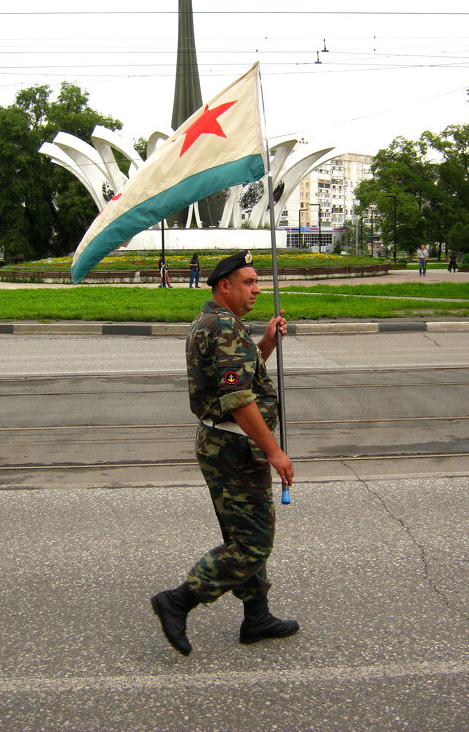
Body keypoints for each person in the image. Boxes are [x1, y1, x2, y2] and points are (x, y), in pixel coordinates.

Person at [151, 250, 298, 656]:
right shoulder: (224, 328)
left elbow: (234, 379)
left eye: (256, 281)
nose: (257, 289)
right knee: (253, 541)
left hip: (222, 444)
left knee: (241, 534)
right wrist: (274, 451)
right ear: (224, 286)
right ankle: (179, 600)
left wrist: (265, 344)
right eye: (249, 282)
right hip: (236, 447)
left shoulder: (217, 322)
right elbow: (236, 398)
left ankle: (257, 616)